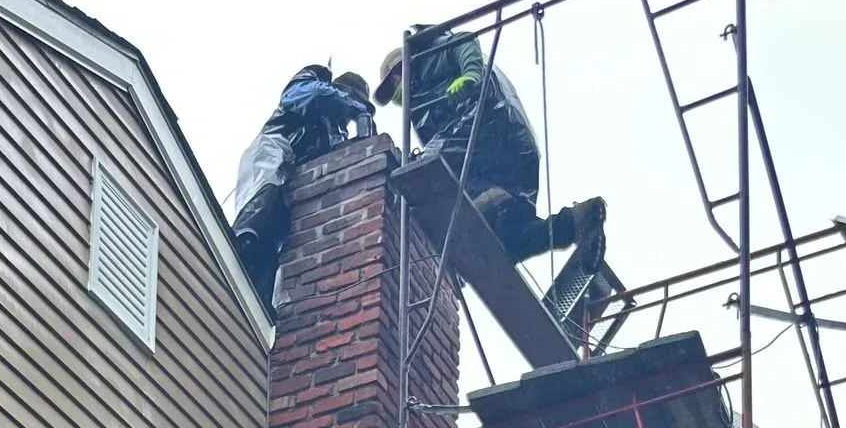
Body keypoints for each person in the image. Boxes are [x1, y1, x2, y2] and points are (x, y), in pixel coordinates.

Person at [374, 35, 604, 272]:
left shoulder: (425, 62)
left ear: (403, 66)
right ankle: (576, 222)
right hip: (507, 158)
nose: (395, 94)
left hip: (486, 123)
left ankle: (483, 201)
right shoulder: (420, 105)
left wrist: (471, 75)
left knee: (430, 166)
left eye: (393, 83)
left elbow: (463, 42)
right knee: (512, 241)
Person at [231, 65, 376, 309]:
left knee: (278, 234)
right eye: (352, 103)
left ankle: (258, 294)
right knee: (270, 180)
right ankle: (243, 236)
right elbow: (304, 96)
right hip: (274, 147)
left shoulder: (334, 133)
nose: (349, 117)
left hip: (290, 180)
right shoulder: (313, 81)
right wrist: (352, 105)